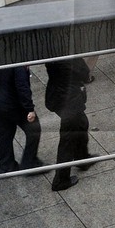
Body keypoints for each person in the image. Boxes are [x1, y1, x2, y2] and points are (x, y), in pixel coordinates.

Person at [42, 56, 94, 191]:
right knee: (68, 138)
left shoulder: (52, 53)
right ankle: (61, 180)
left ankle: (82, 158)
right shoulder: (68, 56)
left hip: (57, 95)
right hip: (70, 101)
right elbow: (84, 72)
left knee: (82, 123)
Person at [0, 63, 42, 175]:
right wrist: (29, 108)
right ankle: (29, 163)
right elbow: (22, 86)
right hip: (14, 104)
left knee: (4, 133)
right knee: (34, 129)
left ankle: (6, 165)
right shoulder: (17, 61)